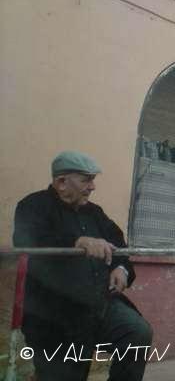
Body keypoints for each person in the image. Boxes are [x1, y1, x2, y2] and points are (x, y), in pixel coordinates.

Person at [13, 151, 153, 381]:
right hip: (54, 316)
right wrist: (77, 241)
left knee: (136, 333)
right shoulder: (33, 206)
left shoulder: (94, 213)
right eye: (86, 180)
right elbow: (28, 240)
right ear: (61, 182)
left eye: (93, 180)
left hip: (99, 306)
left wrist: (121, 269)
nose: (92, 187)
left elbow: (119, 245)